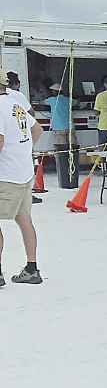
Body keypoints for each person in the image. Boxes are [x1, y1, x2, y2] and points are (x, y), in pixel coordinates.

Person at [0, 69, 44, 285]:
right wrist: (23, 152)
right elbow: (38, 130)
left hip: (5, 175)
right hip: (24, 172)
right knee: (24, 219)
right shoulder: (15, 104)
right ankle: (32, 268)